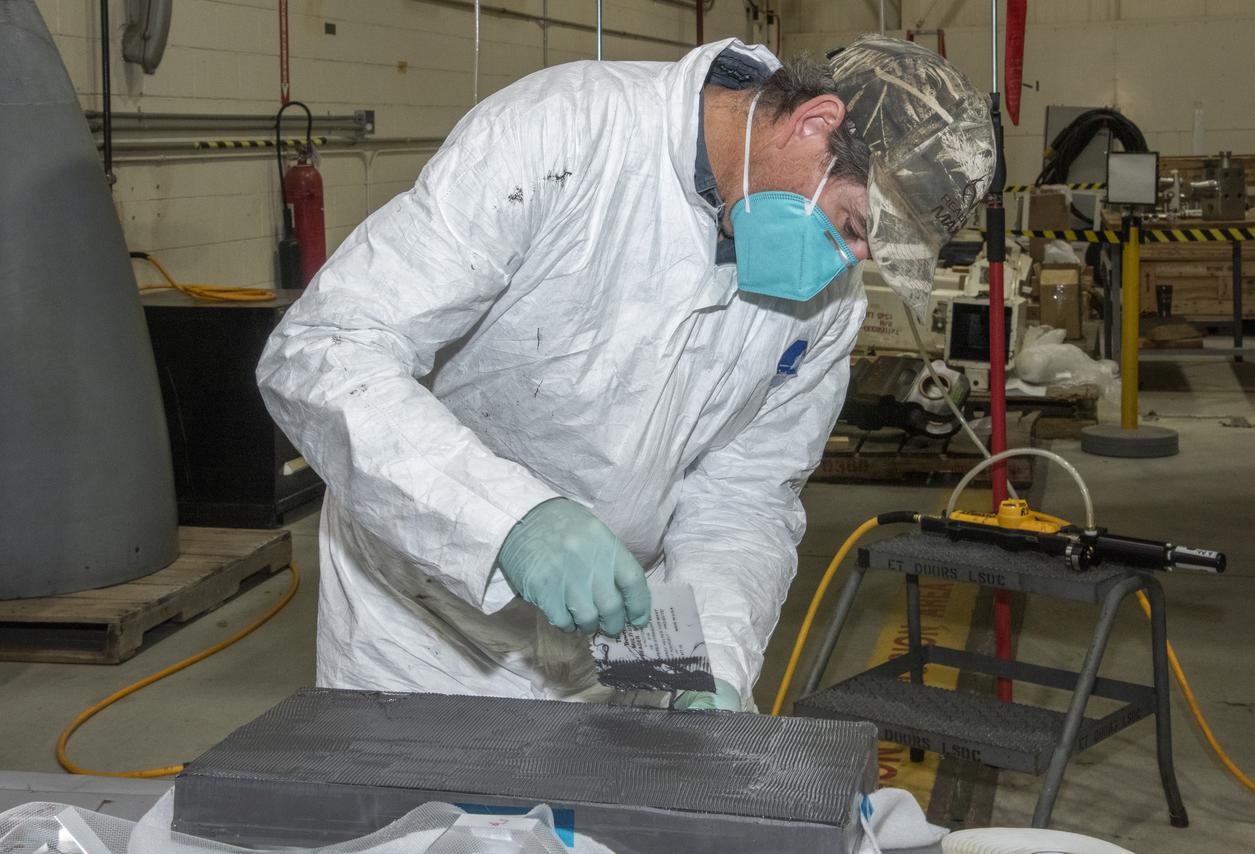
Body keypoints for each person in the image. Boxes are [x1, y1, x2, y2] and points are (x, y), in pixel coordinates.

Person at [258, 34, 995, 711]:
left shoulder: (826, 306)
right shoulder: (568, 134)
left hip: (614, 641)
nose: (852, 263)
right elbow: (326, 348)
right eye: (853, 225)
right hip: (425, 626)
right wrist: (509, 522)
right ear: (813, 124)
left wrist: (709, 669)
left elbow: (743, 498)